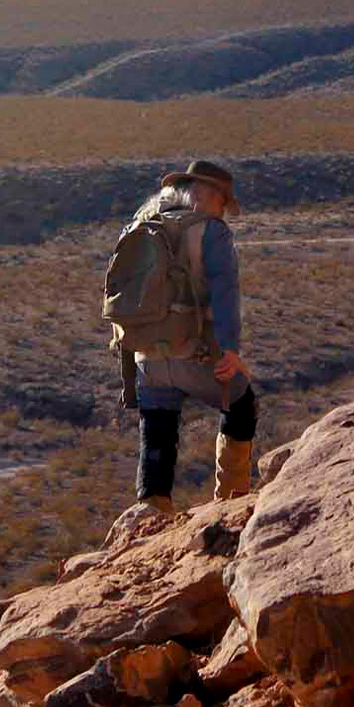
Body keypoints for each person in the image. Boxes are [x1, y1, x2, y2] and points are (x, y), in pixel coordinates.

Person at [127, 159, 256, 515]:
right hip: (194, 351)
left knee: (157, 429)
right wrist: (230, 349)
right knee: (242, 403)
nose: (224, 211)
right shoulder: (211, 231)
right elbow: (225, 291)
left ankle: (152, 510)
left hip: (146, 353)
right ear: (209, 195)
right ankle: (231, 503)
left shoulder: (143, 223)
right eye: (223, 202)